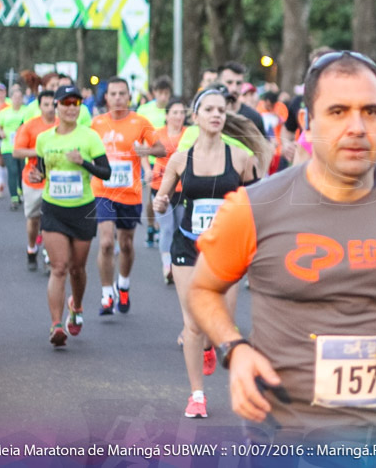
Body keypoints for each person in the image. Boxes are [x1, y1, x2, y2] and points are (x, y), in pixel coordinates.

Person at [188, 51, 376, 445]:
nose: (357, 126)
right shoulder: (253, 206)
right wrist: (235, 349)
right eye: (338, 111)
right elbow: (203, 289)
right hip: (283, 439)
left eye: (371, 112)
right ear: (308, 122)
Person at [154, 88, 261, 419]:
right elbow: (161, 197)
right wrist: (158, 202)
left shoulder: (242, 159)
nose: (217, 114)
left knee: (222, 324)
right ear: (195, 116)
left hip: (226, 250)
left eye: (221, 110)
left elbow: (258, 203)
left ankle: (212, 348)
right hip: (187, 245)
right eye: (210, 109)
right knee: (193, 323)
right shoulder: (180, 159)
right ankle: (196, 395)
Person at [27, 86, 111, 347]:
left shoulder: (89, 137)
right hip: (53, 208)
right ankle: (55, 324)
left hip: (83, 210)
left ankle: (76, 306)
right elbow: (40, 170)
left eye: (76, 103)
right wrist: (36, 176)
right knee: (59, 267)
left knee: (77, 268)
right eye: (66, 103)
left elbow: (105, 173)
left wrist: (82, 162)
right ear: (56, 107)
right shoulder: (44, 139)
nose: (71, 107)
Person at [90, 77, 165, 316]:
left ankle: (123, 284)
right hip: (103, 191)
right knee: (105, 243)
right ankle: (106, 294)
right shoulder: (97, 123)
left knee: (126, 244)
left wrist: (145, 150)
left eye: (122, 94)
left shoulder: (140, 122)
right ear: (106, 97)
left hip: (129, 193)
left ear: (129, 97)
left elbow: (161, 148)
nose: (118, 98)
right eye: (113, 94)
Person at [13, 90, 57, 271]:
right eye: (46, 105)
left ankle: (48, 256)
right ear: (39, 106)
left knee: (51, 220)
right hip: (33, 180)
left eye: (53, 104)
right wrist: (40, 152)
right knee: (33, 220)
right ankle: (32, 248)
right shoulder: (30, 126)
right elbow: (17, 151)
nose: (50, 108)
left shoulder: (62, 126)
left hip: (55, 181)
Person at [150, 98, 187, 284]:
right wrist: (146, 169)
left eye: (181, 112)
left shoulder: (189, 134)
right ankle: (167, 266)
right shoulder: (157, 134)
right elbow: (143, 152)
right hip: (160, 185)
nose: (178, 116)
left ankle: (178, 262)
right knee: (166, 228)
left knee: (179, 227)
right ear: (166, 115)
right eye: (174, 112)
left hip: (182, 188)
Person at [138, 76, 173, 248]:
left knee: (166, 195)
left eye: (166, 93)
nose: (164, 97)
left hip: (170, 161)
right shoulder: (145, 110)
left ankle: (162, 227)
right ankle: (152, 226)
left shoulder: (172, 110)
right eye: (160, 93)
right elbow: (139, 136)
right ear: (154, 93)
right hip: (151, 159)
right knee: (152, 199)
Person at [0, 84, 31, 210]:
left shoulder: (27, 111)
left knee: (22, 171)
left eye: (19, 97)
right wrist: (1, 133)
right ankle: (14, 198)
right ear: (11, 98)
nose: (17, 99)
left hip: (23, 147)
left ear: (22, 99)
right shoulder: (4, 112)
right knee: (13, 171)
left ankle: (21, 191)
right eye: (15, 97)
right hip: (8, 146)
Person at [217, 62, 267, 137]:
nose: (234, 88)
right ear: (219, 83)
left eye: (238, 83)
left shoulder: (253, 117)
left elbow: (262, 145)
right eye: (229, 82)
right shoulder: (211, 115)